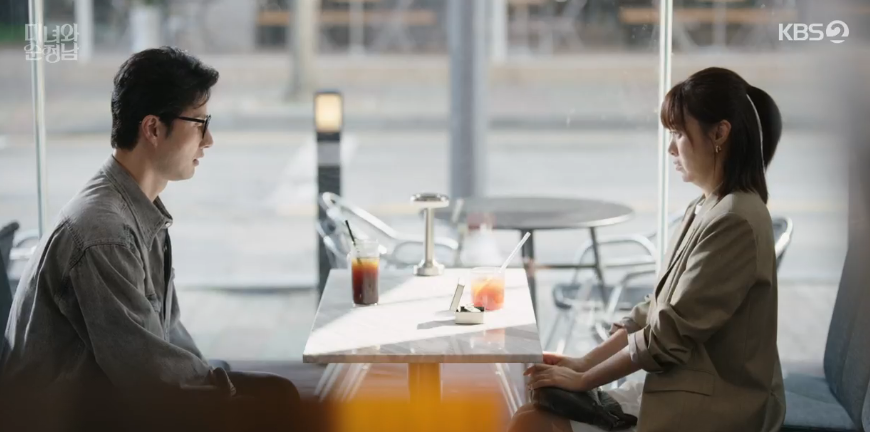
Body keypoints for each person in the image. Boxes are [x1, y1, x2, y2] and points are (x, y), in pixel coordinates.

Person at [0, 47, 298, 430]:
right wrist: (228, 397)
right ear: (154, 129)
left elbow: (168, 340)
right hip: (73, 416)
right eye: (200, 123)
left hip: (111, 400)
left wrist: (222, 386)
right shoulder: (104, 232)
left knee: (278, 394)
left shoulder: (138, 210)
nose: (208, 140)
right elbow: (151, 379)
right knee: (273, 409)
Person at [510, 67, 785, 432]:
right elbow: (655, 311)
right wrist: (582, 363)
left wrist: (584, 379)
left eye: (679, 133)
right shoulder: (707, 207)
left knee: (533, 423)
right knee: (530, 415)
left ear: (719, 133)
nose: (671, 148)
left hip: (716, 406)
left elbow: (667, 337)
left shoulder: (735, 219)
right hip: (684, 386)